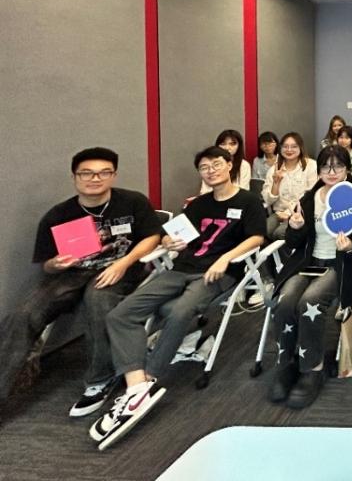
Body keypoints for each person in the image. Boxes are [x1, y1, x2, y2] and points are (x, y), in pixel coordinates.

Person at [92, 146, 266, 448]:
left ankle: (150, 377)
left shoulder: (248, 201)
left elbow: (257, 237)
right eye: (204, 167)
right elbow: (170, 233)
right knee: (120, 314)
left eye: (216, 164)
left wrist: (225, 259)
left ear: (230, 165)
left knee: (178, 311)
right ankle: (136, 386)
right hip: (181, 269)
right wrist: (169, 241)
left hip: (217, 273)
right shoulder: (199, 204)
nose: (211, 171)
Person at [0, 148, 161, 419]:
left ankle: (100, 379)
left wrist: (123, 263)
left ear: (113, 175)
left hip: (120, 270)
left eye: (103, 172)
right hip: (72, 274)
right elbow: (46, 264)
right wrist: (57, 264)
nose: (95, 178)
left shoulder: (132, 202)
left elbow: (152, 237)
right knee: (23, 314)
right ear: (74, 177)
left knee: (98, 299)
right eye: (86, 173)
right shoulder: (58, 215)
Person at [269, 146, 352, 409]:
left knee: (310, 301)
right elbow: (294, 241)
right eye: (326, 166)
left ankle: (312, 368)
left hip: (339, 265)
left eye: (338, 166)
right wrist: (295, 228)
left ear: (347, 170)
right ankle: (286, 363)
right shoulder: (309, 198)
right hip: (307, 264)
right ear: (319, 170)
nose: (332, 172)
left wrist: (351, 246)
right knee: (284, 301)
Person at [263, 133, 318, 240]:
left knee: (279, 233)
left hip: (301, 213)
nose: (289, 150)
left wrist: (289, 213)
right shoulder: (274, 169)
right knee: (263, 231)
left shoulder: (311, 166)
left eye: (294, 146)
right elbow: (268, 200)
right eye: (285, 146)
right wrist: (276, 183)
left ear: (300, 148)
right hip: (279, 213)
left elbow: (310, 195)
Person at [200, 129, 250, 193]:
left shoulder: (244, 165)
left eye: (232, 144)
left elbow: (244, 190)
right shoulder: (210, 164)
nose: (227, 148)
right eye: (223, 144)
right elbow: (204, 190)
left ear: (239, 146)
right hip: (212, 198)